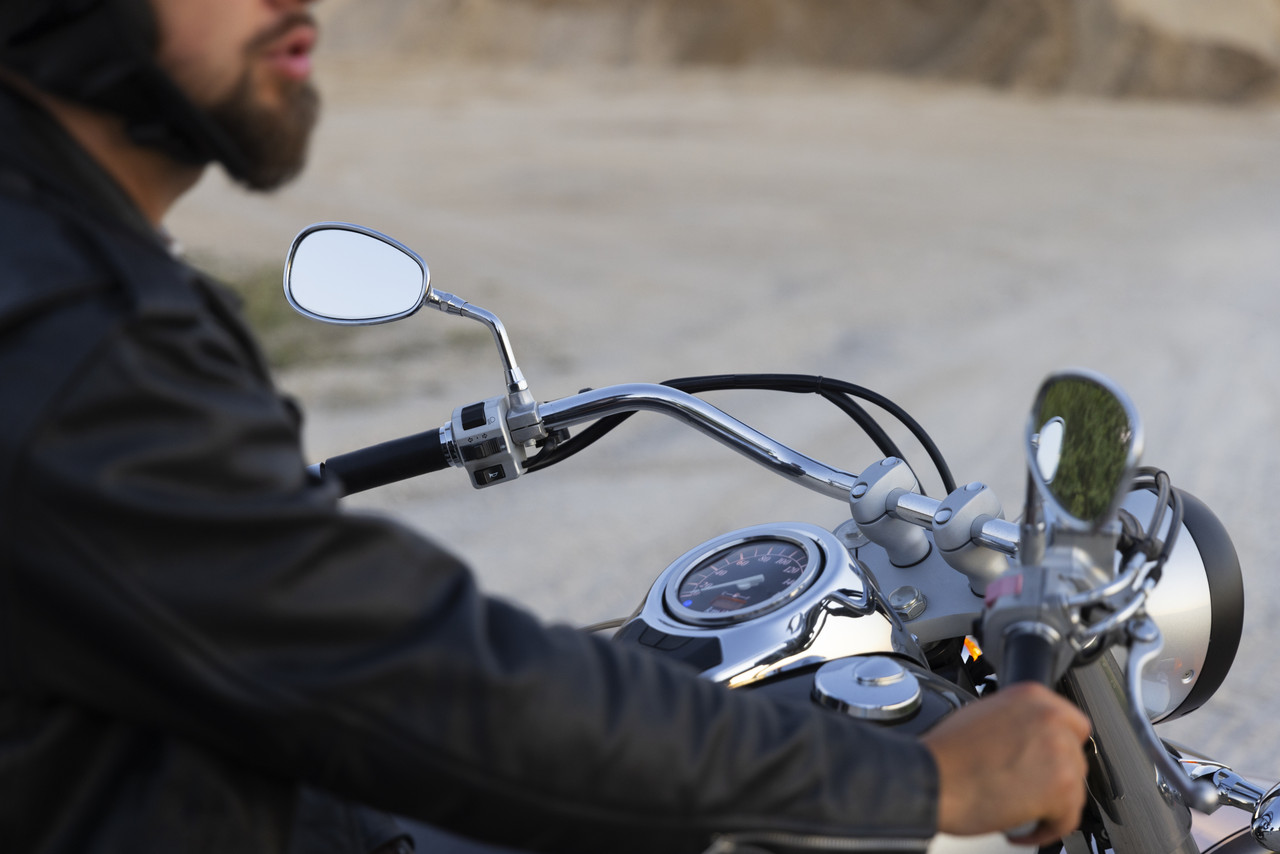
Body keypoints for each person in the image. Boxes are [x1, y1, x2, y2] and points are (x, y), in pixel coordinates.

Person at [0, 1, 1091, 852]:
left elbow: (274, 614)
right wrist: (922, 783)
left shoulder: (55, 266)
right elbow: (404, 673)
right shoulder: (81, 327)